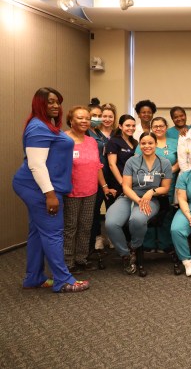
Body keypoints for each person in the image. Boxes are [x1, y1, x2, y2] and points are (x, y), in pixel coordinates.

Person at [13, 87, 89, 293]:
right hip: (38, 188)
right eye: (50, 102)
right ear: (39, 103)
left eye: (57, 102)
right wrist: (50, 195)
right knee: (54, 232)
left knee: (38, 232)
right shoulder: (38, 128)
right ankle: (63, 280)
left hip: (41, 187)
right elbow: (36, 165)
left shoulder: (46, 126)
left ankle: (34, 277)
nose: (55, 105)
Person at [105, 132, 173, 277]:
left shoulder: (164, 163)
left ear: (156, 144)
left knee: (137, 220)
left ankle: (134, 247)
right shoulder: (132, 162)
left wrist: (151, 192)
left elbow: (165, 187)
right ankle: (126, 254)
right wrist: (137, 199)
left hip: (151, 199)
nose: (147, 146)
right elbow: (126, 187)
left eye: (150, 143)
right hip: (129, 197)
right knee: (111, 223)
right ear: (139, 145)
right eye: (143, 143)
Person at [63, 106, 114, 272]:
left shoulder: (92, 141)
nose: (85, 121)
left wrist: (104, 186)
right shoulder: (63, 139)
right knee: (71, 227)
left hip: (91, 190)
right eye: (80, 118)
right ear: (71, 120)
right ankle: (67, 262)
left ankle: (81, 259)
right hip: (70, 192)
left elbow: (97, 166)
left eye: (87, 118)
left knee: (86, 226)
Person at [138, 117, 179, 253]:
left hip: (169, 182)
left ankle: (165, 243)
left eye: (161, 126)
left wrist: (169, 170)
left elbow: (182, 161)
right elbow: (137, 162)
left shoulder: (175, 142)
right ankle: (148, 243)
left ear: (166, 127)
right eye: (155, 126)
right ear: (151, 128)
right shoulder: (146, 142)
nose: (158, 129)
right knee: (147, 210)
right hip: (148, 183)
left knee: (166, 212)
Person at [88, 102, 117, 251]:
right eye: (101, 116)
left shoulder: (117, 133)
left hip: (112, 177)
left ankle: (113, 236)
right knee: (95, 210)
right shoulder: (91, 132)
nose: (105, 119)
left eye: (108, 116)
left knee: (112, 209)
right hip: (95, 177)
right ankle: (98, 237)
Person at [104, 115, 137, 206]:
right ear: (120, 126)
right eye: (128, 125)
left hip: (131, 182)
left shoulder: (135, 142)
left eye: (133, 126)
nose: (131, 128)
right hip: (117, 183)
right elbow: (112, 164)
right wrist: (122, 183)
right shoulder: (114, 142)